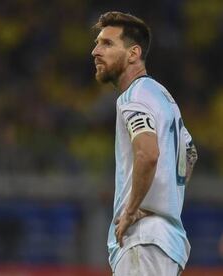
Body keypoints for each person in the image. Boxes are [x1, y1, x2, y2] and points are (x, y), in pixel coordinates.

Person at [91, 11, 198, 275]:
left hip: (144, 238)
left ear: (133, 53)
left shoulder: (134, 96)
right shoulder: (164, 98)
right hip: (165, 240)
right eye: (97, 43)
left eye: (107, 43)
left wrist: (132, 208)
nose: (95, 51)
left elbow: (148, 153)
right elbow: (190, 154)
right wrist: (165, 198)